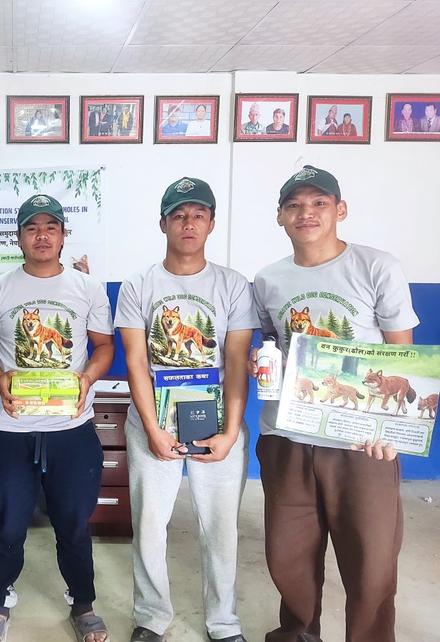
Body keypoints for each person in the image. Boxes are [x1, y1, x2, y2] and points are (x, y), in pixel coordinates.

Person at [251, 165, 419, 642]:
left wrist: (390, 430)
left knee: (371, 561)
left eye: (319, 203)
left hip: (361, 443)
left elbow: (402, 354)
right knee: (289, 559)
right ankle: (299, 634)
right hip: (287, 437)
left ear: (340, 210)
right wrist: (259, 362)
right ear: (280, 216)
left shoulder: (376, 266)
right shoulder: (268, 279)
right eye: (294, 205)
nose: (306, 213)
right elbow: (270, 345)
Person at [0, 194, 115, 642]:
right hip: (11, 428)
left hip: (72, 427)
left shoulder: (88, 288)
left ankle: (83, 603)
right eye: (32, 228)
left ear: (64, 235)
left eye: (51, 227)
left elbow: (104, 346)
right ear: (19, 237)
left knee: (73, 523)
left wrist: (88, 377)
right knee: (8, 522)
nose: (42, 236)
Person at [115, 177, 257, 642]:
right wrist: (152, 429)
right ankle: (151, 617)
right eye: (178, 215)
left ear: (212, 223)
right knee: (149, 526)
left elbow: (235, 359)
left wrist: (230, 432)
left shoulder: (233, 285)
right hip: (154, 421)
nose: (188, 223)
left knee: (220, 528)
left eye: (198, 214)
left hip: (215, 422)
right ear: (163, 224)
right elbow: (136, 361)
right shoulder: (138, 284)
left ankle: (223, 622)